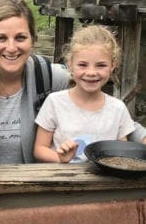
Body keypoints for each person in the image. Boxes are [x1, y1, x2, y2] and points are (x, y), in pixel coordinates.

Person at [0, 0, 146, 164]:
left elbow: (105, 110)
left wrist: (141, 136)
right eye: (1, 38)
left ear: (32, 39)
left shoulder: (50, 77)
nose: (11, 48)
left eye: (20, 37)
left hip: (29, 190)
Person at [33, 25, 139, 163]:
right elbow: (39, 149)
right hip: (63, 181)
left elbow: (122, 154)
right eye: (82, 65)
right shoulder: (55, 102)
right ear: (70, 64)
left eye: (101, 65)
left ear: (112, 65)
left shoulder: (118, 109)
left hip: (104, 184)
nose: (91, 72)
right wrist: (60, 158)